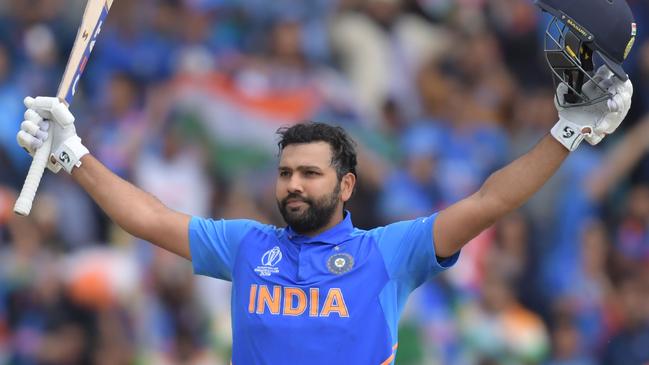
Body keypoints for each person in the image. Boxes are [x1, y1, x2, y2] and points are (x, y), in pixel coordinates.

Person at [14, 0, 636, 364]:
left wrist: (566, 133)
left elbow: (490, 199)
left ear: (345, 186)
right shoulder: (248, 247)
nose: (293, 185)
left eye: (310, 174)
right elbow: (147, 218)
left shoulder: (390, 253)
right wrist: (73, 154)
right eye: (286, 173)